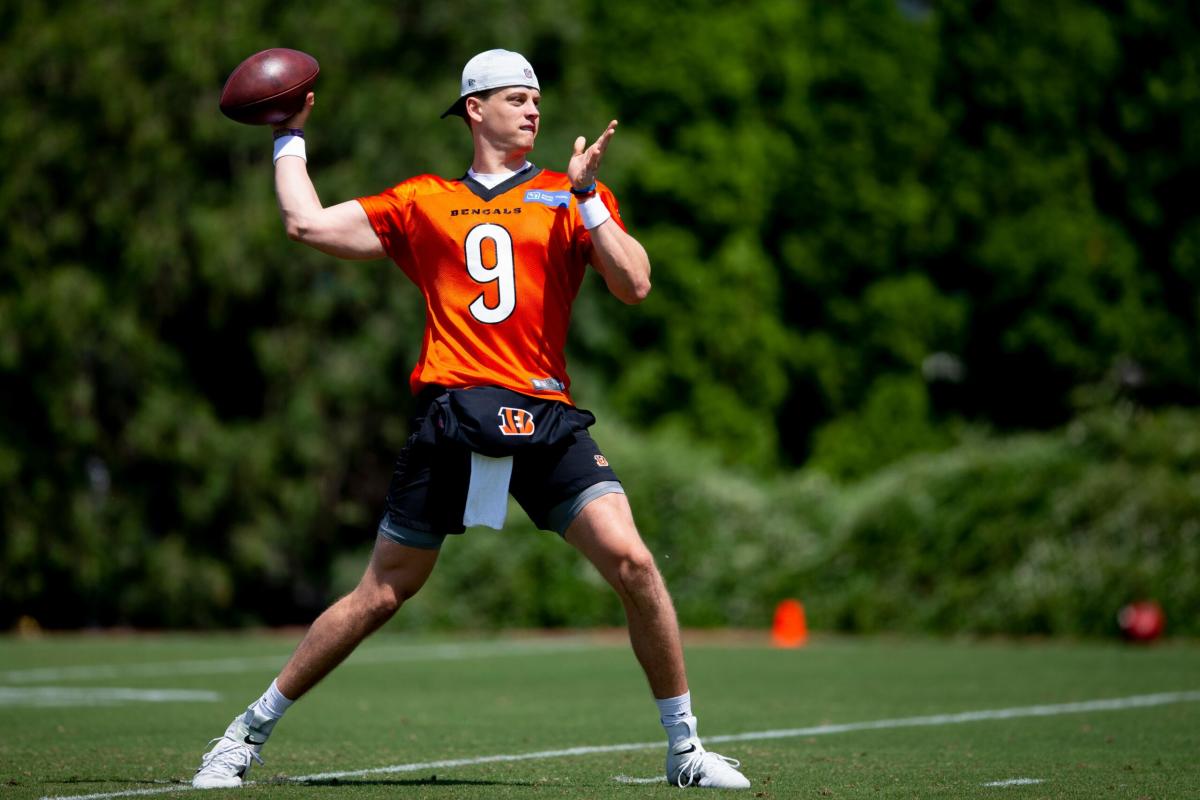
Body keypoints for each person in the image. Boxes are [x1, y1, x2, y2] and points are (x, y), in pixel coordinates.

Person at [192, 49, 749, 791]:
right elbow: (306, 225)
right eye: (516, 98)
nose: (533, 111)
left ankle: (685, 752)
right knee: (382, 594)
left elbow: (636, 282)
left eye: (537, 100)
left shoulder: (567, 193)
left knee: (635, 563)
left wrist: (587, 198)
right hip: (450, 416)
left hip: (544, 415)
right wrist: (286, 135)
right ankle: (243, 736)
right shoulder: (424, 199)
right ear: (474, 110)